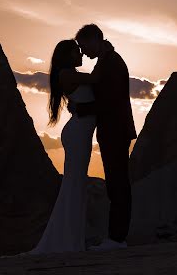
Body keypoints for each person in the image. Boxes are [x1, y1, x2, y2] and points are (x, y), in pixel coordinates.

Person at [29, 39, 99, 254]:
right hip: (78, 133)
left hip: (80, 132)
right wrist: (104, 54)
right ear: (68, 55)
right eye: (77, 51)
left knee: (76, 186)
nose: (81, 54)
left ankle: (71, 239)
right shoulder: (67, 74)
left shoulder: (69, 74)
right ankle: (68, 241)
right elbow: (97, 79)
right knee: (74, 186)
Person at [75, 24, 137, 250]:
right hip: (113, 130)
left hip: (115, 130)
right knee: (116, 183)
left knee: (118, 183)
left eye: (84, 46)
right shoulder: (108, 61)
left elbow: (108, 101)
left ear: (94, 40)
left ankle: (117, 238)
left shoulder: (111, 63)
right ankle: (116, 237)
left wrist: (81, 110)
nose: (83, 52)